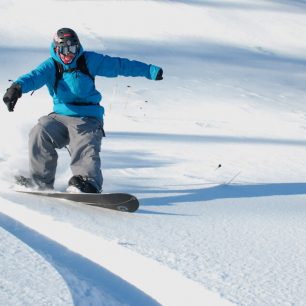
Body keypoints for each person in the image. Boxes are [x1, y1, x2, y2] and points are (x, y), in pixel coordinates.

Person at [3, 28, 163, 193]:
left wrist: (149, 70)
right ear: (56, 49)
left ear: (78, 47)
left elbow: (120, 65)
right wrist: (16, 88)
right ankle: (41, 182)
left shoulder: (89, 60)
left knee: (85, 142)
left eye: (72, 49)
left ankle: (88, 183)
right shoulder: (51, 65)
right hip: (60, 117)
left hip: (88, 117)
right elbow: (34, 76)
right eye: (64, 50)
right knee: (40, 131)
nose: (69, 54)